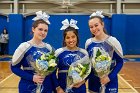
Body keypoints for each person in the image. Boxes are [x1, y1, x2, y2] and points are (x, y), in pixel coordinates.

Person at [11, 11, 54, 93]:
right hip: (27, 86)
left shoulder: (49, 48)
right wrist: (32, 77)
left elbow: (52, 72)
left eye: (45, 30)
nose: (43, 32)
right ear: (33, 29)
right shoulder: (24, 46)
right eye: (40, 29)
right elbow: (14, 68)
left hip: (46, 87)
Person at [85, 11, 124, 93]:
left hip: (110, 81)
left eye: (96, 25)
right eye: (91, 27)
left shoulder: (112, 41)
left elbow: (120, 62)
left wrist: (109, 77)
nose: (94, 29)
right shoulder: (88, 43)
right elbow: (88, 64)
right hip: (93, 81)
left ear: (102, 24)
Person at [52, 19, 89, 93]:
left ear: (77, 37)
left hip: (80, 89)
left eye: (73, 37)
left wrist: (82, 82)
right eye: (68, 38)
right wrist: (58, 88)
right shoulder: (58, 52)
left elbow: (88, 72)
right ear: (64, 39)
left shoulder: (84, 53)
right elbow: (52, 73)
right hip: (62, 89)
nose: (71, 40)